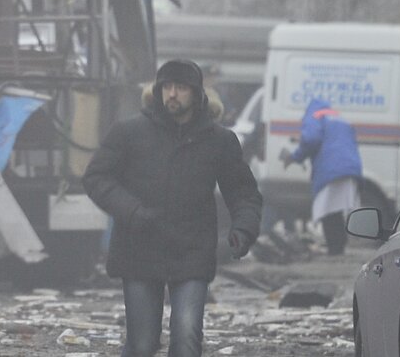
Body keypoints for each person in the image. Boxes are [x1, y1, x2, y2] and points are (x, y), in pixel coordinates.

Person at [84, 60, 262, 357]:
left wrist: (243, 230)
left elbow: (243, 192)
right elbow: (96, 177)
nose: (172, 94)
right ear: (157, 90)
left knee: (187, 339)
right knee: (142, 345)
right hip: (138, 248)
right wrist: (132, 211)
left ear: (197, 94)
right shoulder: (130, 132)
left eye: (181, 88)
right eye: (167, 87)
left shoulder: (219, 141)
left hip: (191, 250)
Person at [281, 97, 363, 256]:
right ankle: (338, 247)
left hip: (331, 168)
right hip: (351, 167)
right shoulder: (339, 118)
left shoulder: (315, 116)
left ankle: (334, 249)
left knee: (326, 209)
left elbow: (310, 138)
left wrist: (295, 157)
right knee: (335, 209)